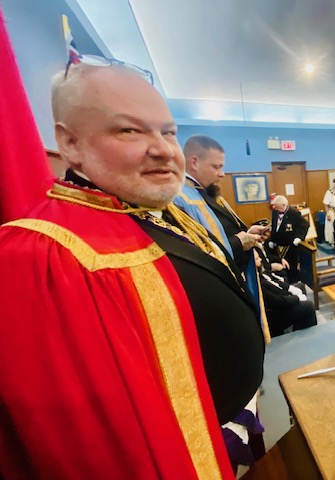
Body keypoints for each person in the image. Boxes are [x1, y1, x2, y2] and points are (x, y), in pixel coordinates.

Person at [0, 63, 264, 478]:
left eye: (169, 132)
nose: (164, 150)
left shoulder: (152, 209)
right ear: (70, 143)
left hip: (234, 416)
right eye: (130, 130)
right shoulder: (46, 252)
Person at [177, 135, 263, 271]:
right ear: (194, 163)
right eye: (216, 167)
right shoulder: (180, 199)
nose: (222, 174)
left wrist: (248, 233)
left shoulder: (205, 192)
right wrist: (238, 242)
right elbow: (198, 255)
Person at [254, 250, 317, 337]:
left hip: (279, 301)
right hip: (275, 314)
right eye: (257, 259)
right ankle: (310, 336)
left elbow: (274, 282)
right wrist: (295, 297)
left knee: (300, 286)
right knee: (308, 306)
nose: (261, 259)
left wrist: (290, 290)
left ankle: (298, 327)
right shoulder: (257, 282)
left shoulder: (260, 273)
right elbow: (278, 301)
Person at [269, 195, 309, 283]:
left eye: (277, 206)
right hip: (277, 245)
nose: (274, 207)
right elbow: (274, 226)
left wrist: (299, 237)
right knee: (279, 266)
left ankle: (293, 284)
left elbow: (304, 225)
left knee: (290, 267)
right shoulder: (275, 212)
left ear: (283, 205)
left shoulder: (294, 213)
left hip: (289, 246)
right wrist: (272, 239)